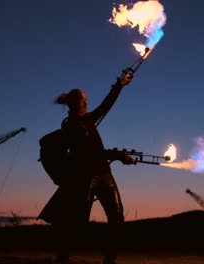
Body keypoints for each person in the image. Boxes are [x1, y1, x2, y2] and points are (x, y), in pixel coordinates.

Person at [39, 74, 134, 264]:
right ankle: (63, 256)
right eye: (85, 100)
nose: (88, 103)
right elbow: (91, 153)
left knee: (117, 217)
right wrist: (118, 156)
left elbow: (106, 105)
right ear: (79, 103)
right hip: (87, 177)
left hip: (105, 174)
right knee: (78, 222)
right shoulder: (72, 126)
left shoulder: (88, 119)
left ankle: (109, 260)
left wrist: (119, 85)